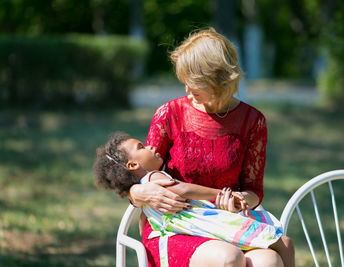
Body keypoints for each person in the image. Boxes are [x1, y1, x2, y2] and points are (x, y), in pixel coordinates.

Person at [128, 28, 294, 267]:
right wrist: (136, 193)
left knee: (268, 262)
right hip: (177, 226)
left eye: (193, 82)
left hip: (227, 222)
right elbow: (138, 170)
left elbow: (253, 190)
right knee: (228, 258)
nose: (186, 89)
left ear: (218, 80)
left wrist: (237, 200)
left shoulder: (252, 121)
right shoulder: (170, 114)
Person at [93, 132, 293, 267]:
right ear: (133, 165)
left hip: (195, 226)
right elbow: (183, 189)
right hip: (191, 230)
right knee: (280, 243)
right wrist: (220, 195)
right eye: (142, 146)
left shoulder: (151, 177)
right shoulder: (154, 177)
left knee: (271, 257)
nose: (151, 146)